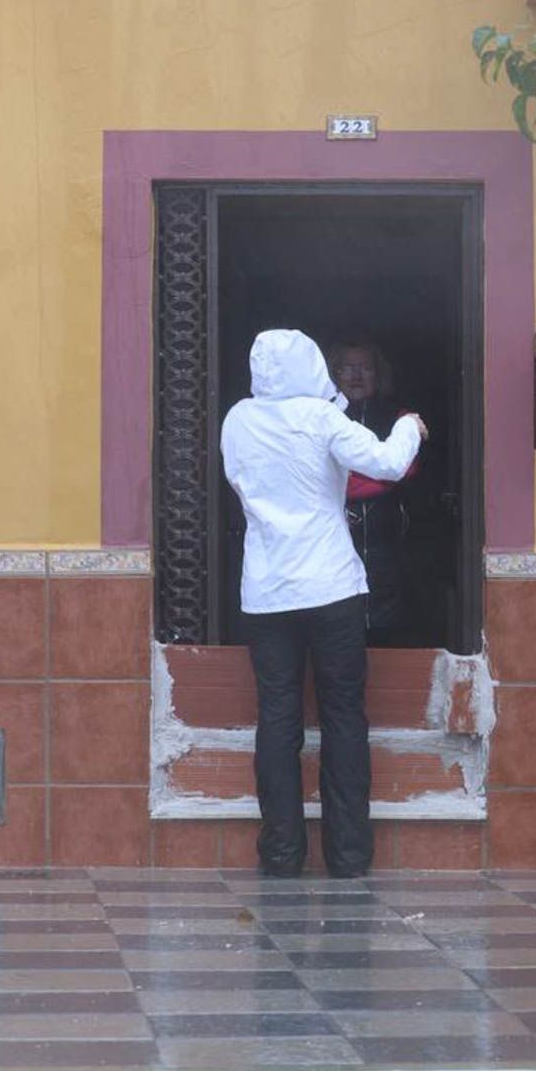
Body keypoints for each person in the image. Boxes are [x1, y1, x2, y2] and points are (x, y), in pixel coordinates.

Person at [220, 329, 427, 878]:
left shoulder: (237, 420)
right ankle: (350, 856)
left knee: (278, 719)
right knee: (342, 719)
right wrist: (409, 426)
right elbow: (386, 463)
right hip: (332, 589)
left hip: (265, 593)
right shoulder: (322, 418)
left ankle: (282, 855)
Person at [328, 342, 422, 646]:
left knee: (392, 633)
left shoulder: (399, 416)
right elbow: (325, 475)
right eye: (348, 367)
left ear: (378, 374)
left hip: (392, 546)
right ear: (335, 372)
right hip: (336, 546)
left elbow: (406, 467)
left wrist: (355, 478)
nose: (356, 375)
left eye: (365, 367)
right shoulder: (325, 417)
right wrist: (382, 476)